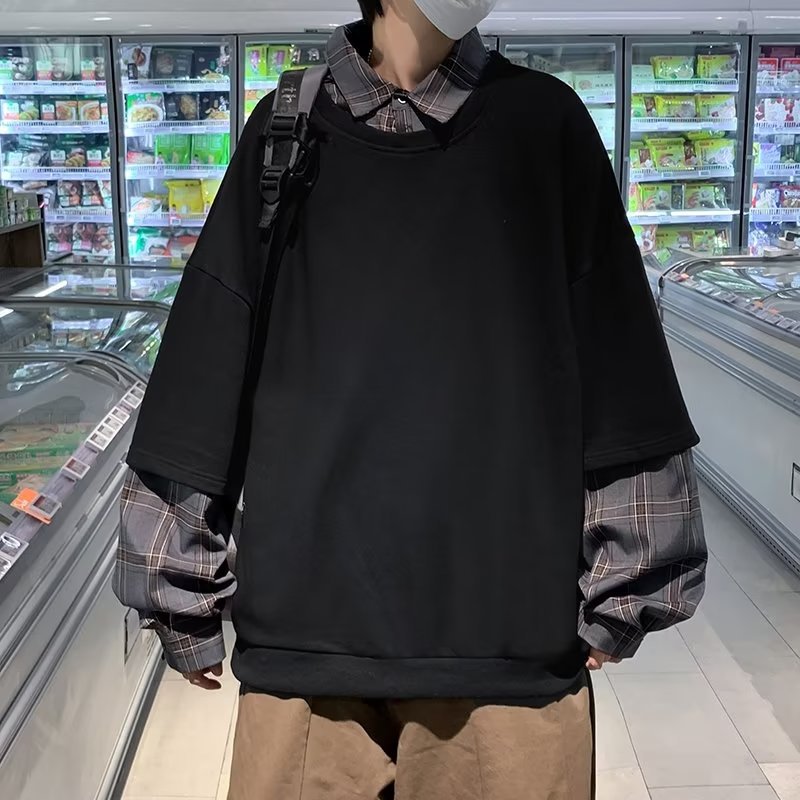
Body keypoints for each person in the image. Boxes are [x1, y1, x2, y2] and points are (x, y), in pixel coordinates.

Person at [114, 1, 708, 797]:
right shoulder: (287, 128)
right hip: (308, 648)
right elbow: (210, 352)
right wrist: (174, 580)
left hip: (505, 645)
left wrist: (632, 581)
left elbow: (618, 354)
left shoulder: (545, 124)